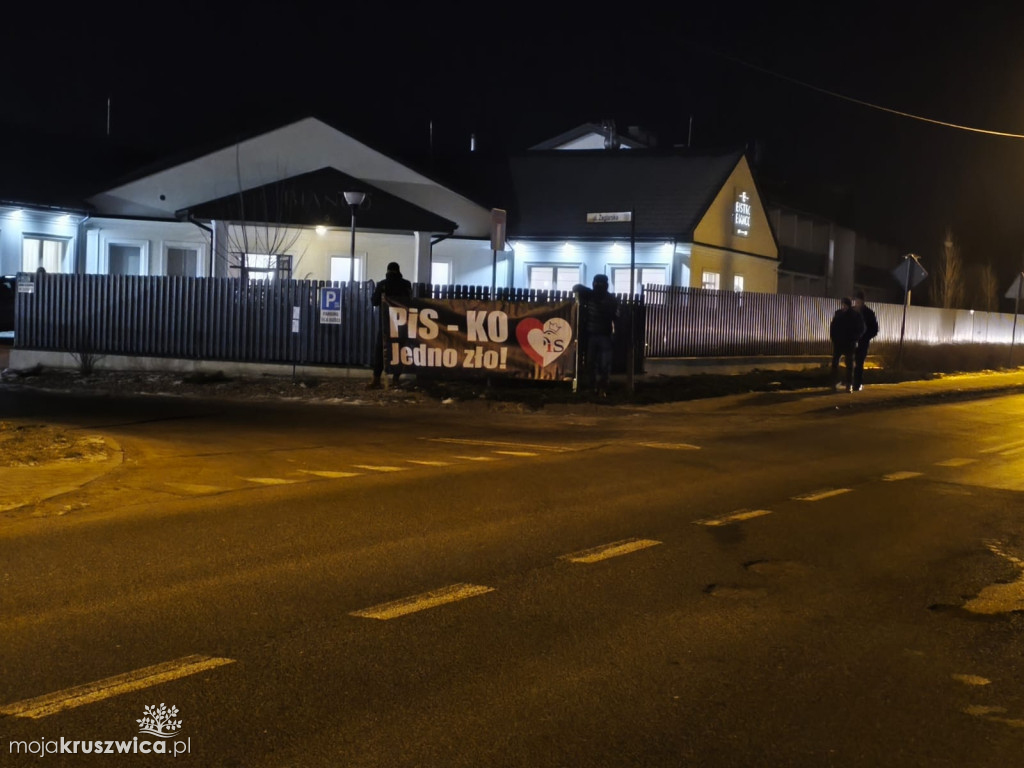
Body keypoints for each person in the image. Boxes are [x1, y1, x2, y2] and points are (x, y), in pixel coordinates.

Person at [573, 274, 619, 396]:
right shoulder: (591, 295)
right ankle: (594, 386)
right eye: (596, 283)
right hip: (593, 335)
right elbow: (576, 287)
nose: (598, 286)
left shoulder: (609, 299)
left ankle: (602, 387)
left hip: (603, 335)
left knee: (603, 364)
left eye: (599, 284)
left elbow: (616, 317)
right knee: (592, 363)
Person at [368, 262, 412, 389]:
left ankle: (376, 379)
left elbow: (374, 302)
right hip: (401, 325)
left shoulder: (383, 284)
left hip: (385, 324)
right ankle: (396, 379)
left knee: (381, 352)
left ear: (387, 271)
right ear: (399, 270)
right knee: (398, 351)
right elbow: (410, 301)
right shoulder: (406, 284)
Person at [829, 296, 865, 393]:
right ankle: (834, 383)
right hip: (839, 343)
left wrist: (855, 338)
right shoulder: (838, 314)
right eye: (842, 305)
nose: (843, 307)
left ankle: (849, 384)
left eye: (845, 305)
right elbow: (833, 327)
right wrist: (834, 338)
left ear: (848, 305)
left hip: (849, 344)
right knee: (835, 364)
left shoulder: (855, 315)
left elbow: (861, 328)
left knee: (849, 365)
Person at [852, 290, 879, 391]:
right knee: (850, 362)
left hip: (863, 342)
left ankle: (857, 384)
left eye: (859, 301)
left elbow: (874, 329)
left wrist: (866, 337)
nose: (857, 303)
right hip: (851, 342)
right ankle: (849, 382)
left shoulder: (869, 313)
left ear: (863, 302)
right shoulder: (852, 311)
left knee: (859, 363)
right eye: (856, 301)